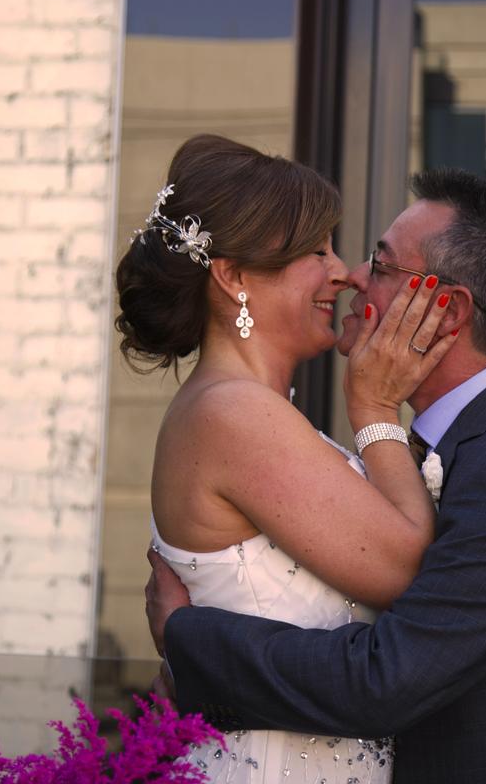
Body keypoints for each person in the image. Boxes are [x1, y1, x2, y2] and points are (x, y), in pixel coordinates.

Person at [146, 167, 486, 782]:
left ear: (446, 308)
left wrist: (186, 640)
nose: (350, 274)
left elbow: (385, 677)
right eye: (318, 250)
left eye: (379, 265)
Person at [115, 134, 459, 782]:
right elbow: (408, 569)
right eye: (313, 251)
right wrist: (376, 408)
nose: (341, 272)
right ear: (234, 276)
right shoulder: (231, 414)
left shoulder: (247, 410)